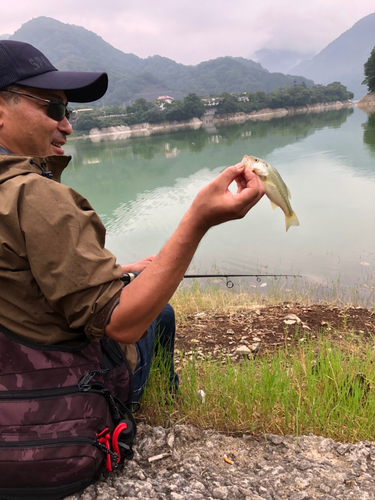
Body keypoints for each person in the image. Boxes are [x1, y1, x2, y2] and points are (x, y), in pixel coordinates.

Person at [0, 40, 264, 403]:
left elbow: (17, 274)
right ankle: (160, 401)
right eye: (54, 107)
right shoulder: (34, 195)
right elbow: (122, 324)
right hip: (56, 397)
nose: (66, 126)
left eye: (68, 112)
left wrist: (123, 269)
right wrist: (198, 221)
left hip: (13, 369)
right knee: (160, 315)